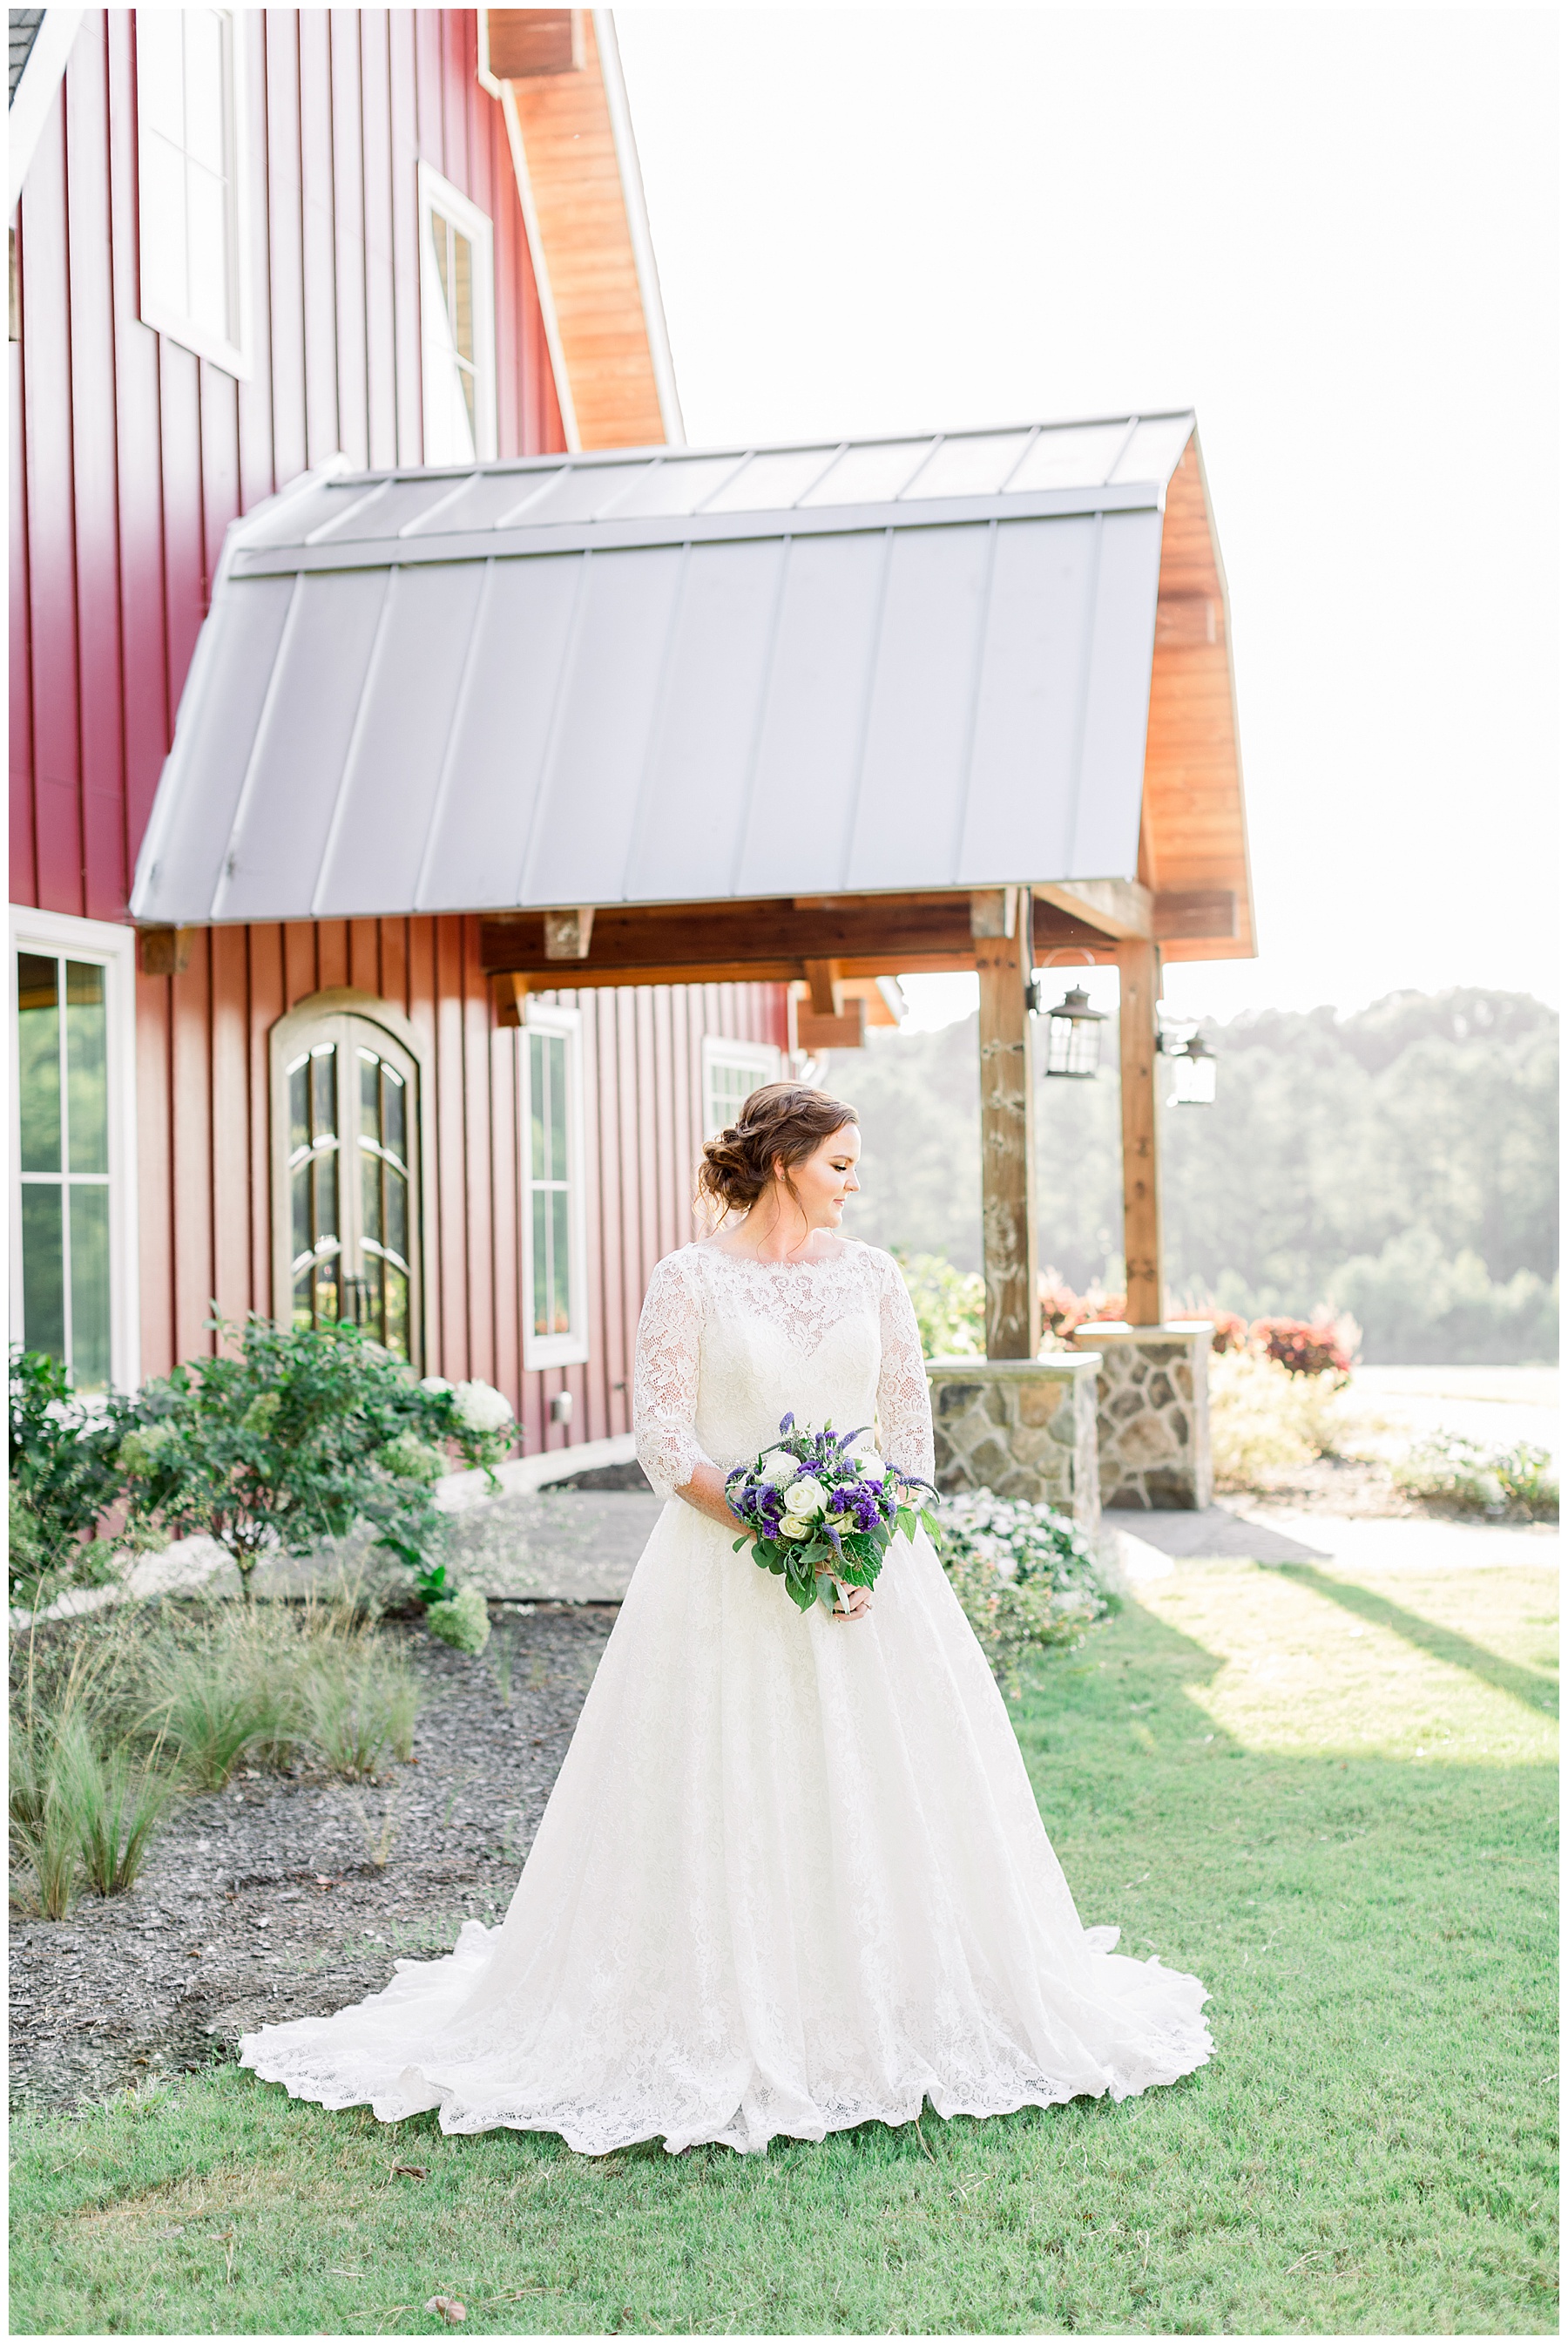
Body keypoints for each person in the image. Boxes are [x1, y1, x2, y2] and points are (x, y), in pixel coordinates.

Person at [240, 1083, 1211, 2152]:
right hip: (716, 1575)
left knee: (888, 1785)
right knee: (726, 1782)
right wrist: (770, 1519)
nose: (856, 1180)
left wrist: (857, 1543)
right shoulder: (689, 1278)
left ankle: (886, 1996)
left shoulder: (875, 1275)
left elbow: (908, 1435)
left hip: (870, 1578)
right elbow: (663, 1437)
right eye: (841, 1161)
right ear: (787, 1159)